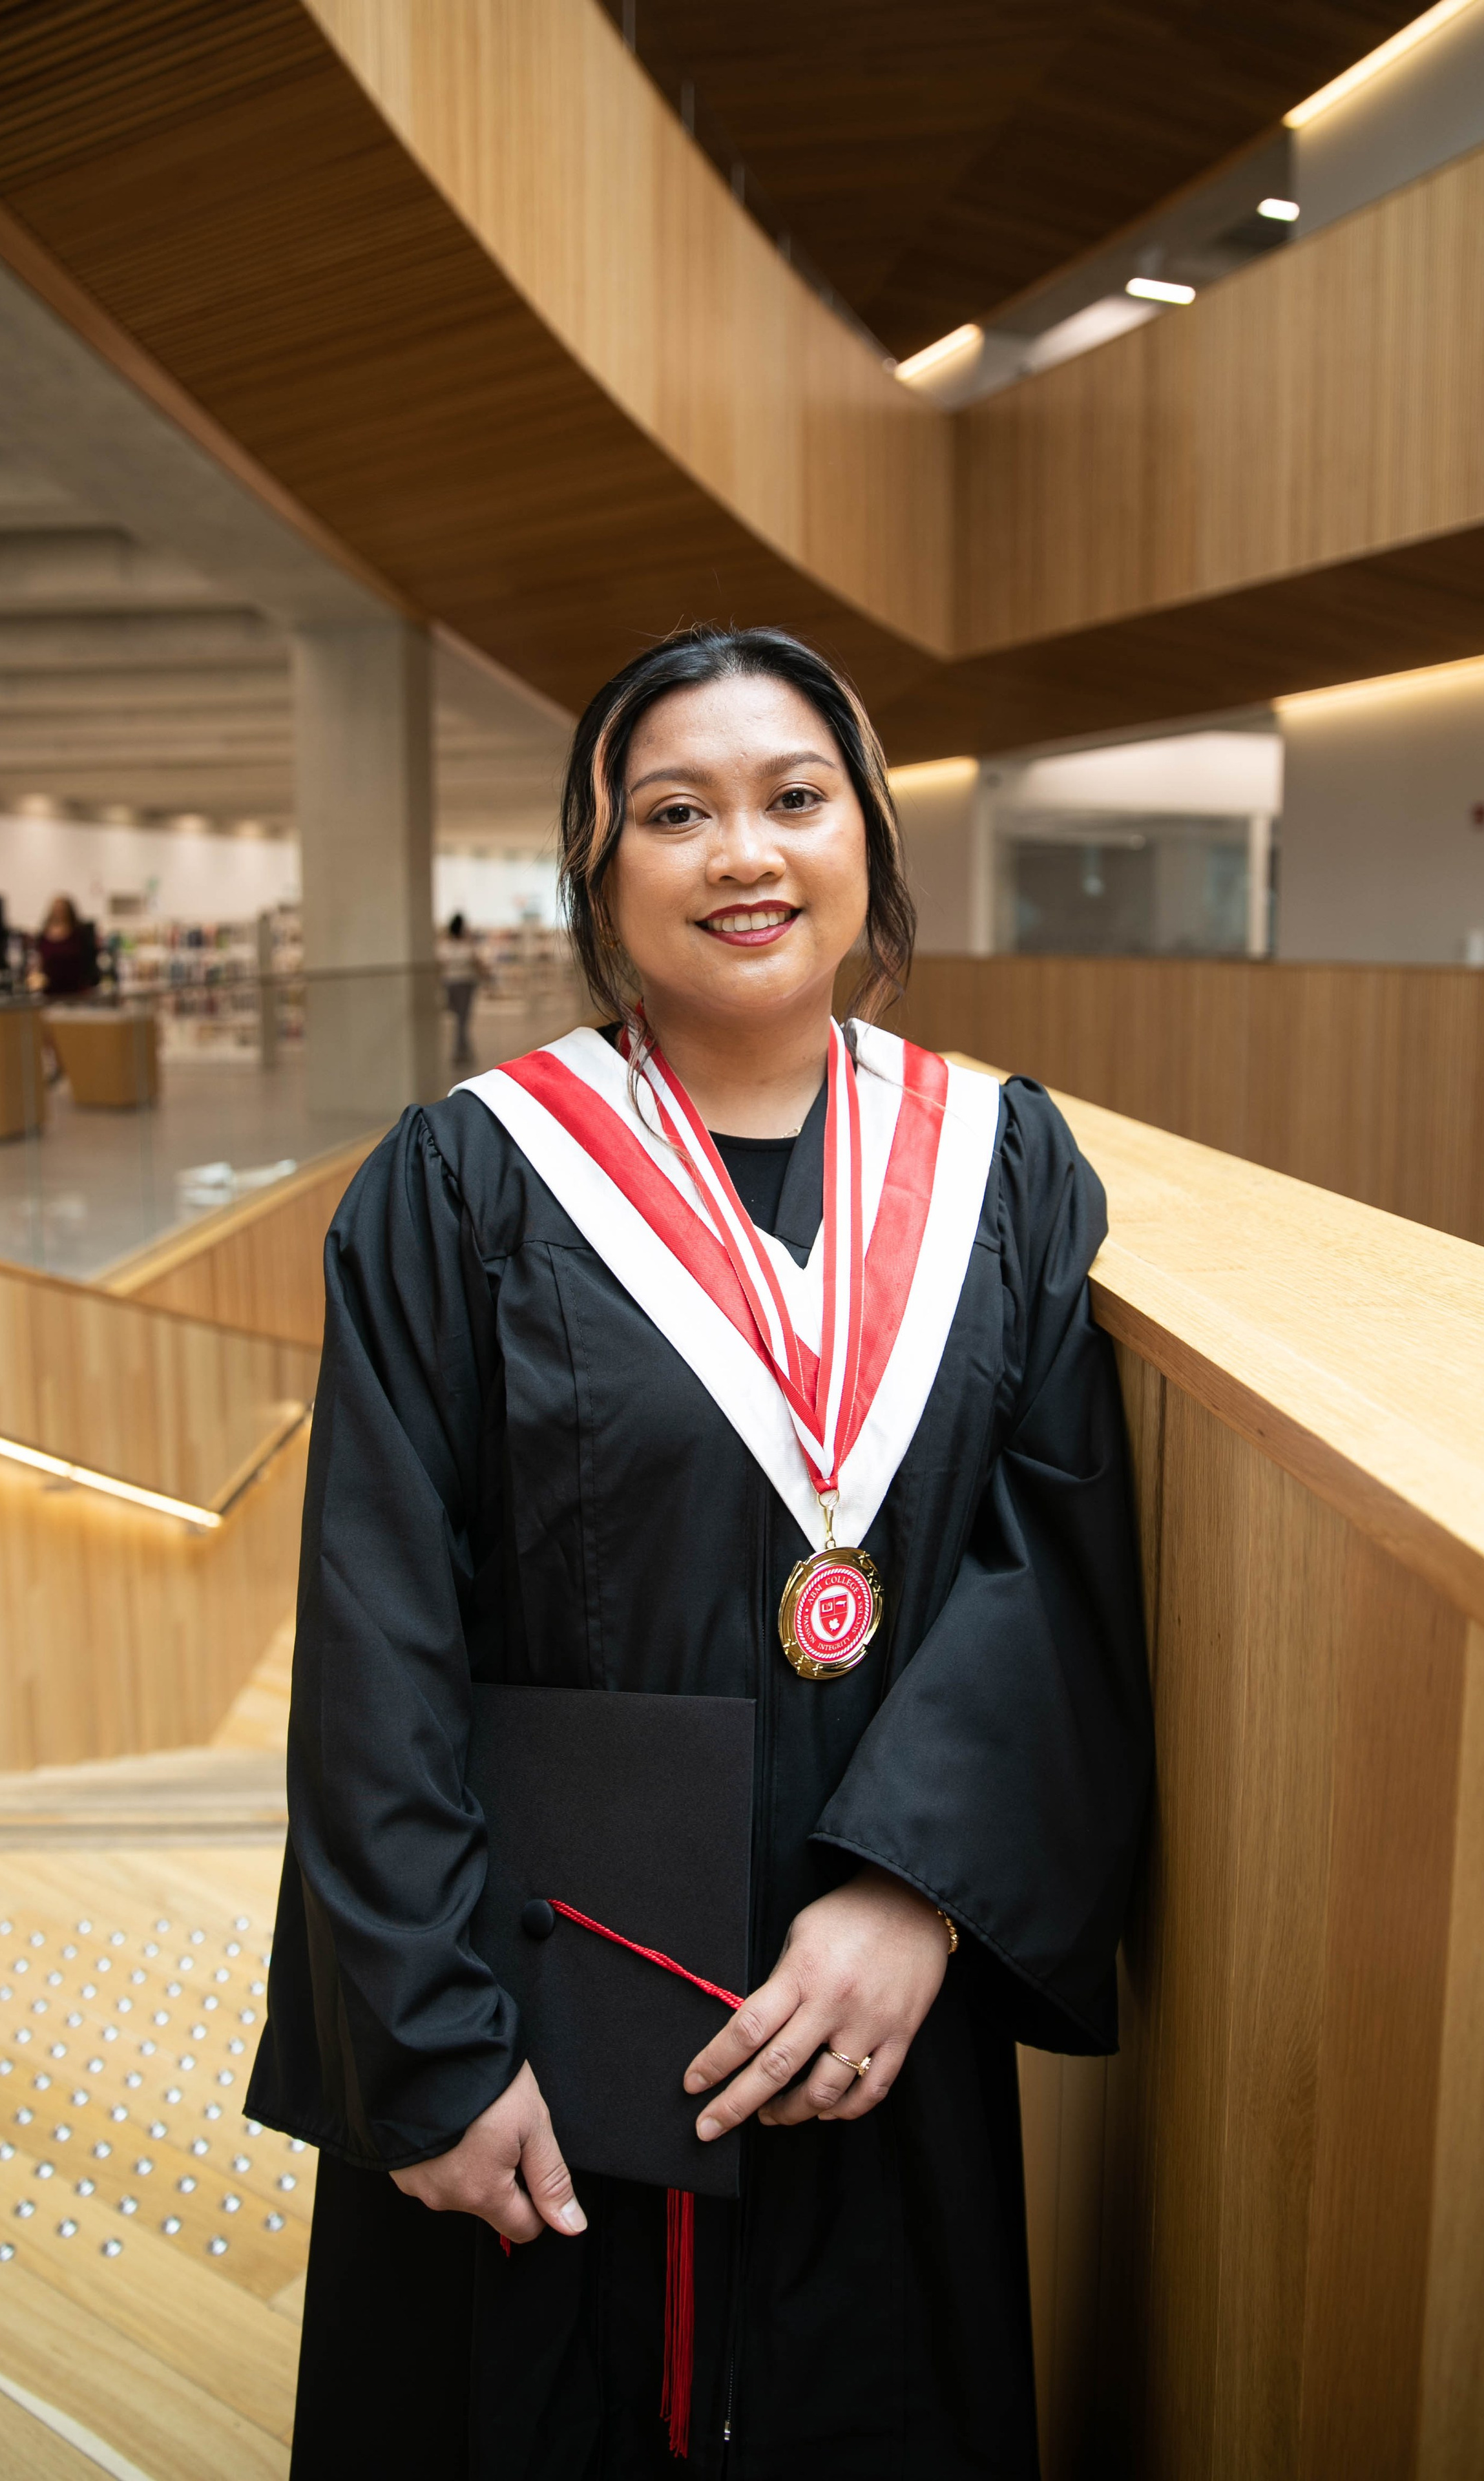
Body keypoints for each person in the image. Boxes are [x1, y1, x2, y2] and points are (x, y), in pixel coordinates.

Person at [248, 626, 1153, 2479]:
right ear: (600, 872)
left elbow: (1045, 1564)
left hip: (865, 2016)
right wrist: (430, 2048)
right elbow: (375, 1637)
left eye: (793, 799)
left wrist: (925, 1897)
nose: (744, 852)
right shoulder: (464, 1185)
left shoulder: (1007, 1167)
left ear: (868, 843)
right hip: (544, 1994)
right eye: (677, 811)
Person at [440, 908, 485, 1063]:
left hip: (452, 984)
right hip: (463, 984)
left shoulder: (445, 946)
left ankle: (462, 1050)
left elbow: (441, 965)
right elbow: (476, 963)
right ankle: (462, 1051)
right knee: (462, 1020)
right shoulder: (466, 946)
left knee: (461, 1020)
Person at [33, 894, 99, 998]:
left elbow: (89, 960)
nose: (59, 912)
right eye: (57, 909)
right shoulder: (43, 935)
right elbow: (39, 960)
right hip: (50, 990)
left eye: (62, 909)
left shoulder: (80, 934)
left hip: (76, 990)